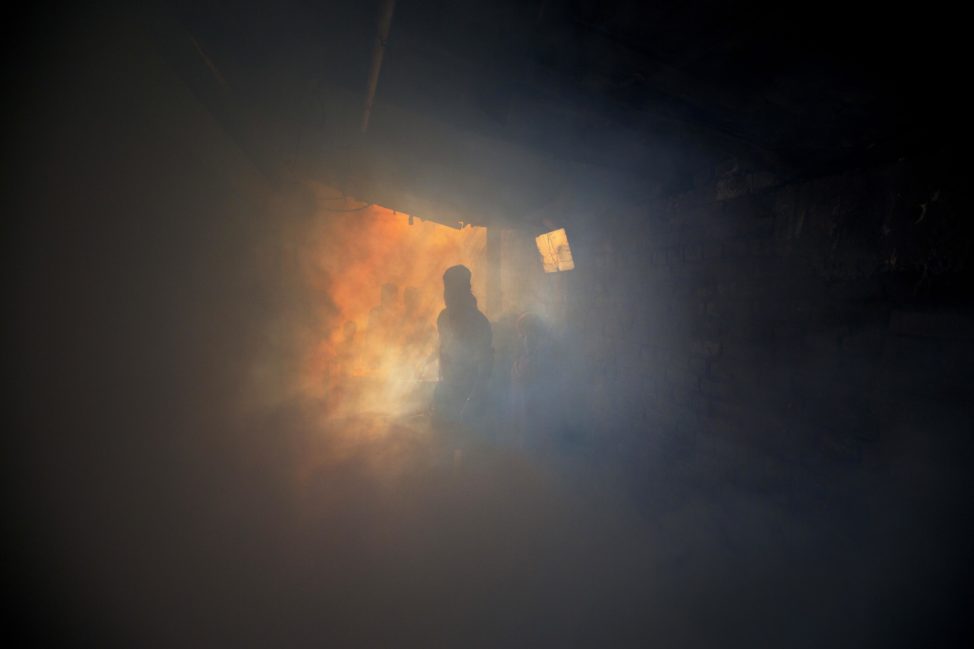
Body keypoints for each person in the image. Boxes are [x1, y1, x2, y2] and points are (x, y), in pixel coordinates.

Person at [432, 265, 492, 429]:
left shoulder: (478, 322)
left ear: (463, 291)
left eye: (451, 291)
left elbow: (485, 366)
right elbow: (443, 349)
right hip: (447, 390)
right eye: (446, 290)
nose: (446, 296)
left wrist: (472, 400)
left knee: (468, 446)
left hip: (470, 393)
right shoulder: (443, 317)